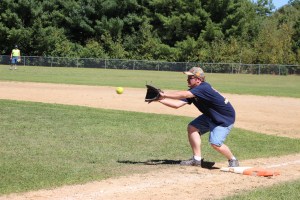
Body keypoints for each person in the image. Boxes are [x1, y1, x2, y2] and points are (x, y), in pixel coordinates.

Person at [157, 67, 239, 167]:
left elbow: (184, 94)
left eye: (190, 77)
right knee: (192, 128)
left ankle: (233, 160)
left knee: (215, 144)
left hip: (223, 119)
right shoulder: (194, 91)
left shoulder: (203, 88)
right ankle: (197, 159)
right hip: (210, 116)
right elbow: (177, 105)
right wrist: (158, 99)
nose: (187, 79)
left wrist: (163, 94)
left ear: (198, 79)